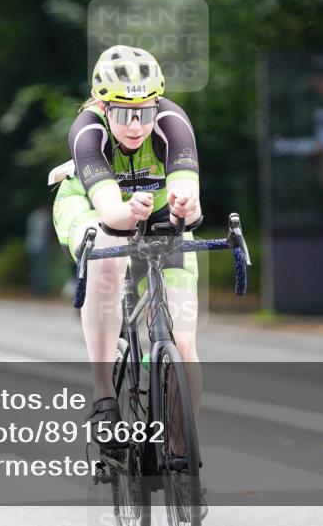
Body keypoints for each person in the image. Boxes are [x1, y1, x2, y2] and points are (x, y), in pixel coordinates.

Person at [52, 45, 202, 445]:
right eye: (122, 113)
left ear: (157, 104)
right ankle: (104, 394)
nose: (136, 125)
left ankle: (178, 449)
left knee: (184, 343)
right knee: (104, 247)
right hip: (90, 209)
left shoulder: (172, 121)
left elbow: (190, 198)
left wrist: (181, 207)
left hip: (154, 213)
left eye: (145, 112)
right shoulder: (87, 130)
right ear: (103, 105)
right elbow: (110, 215)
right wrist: (128, 211)